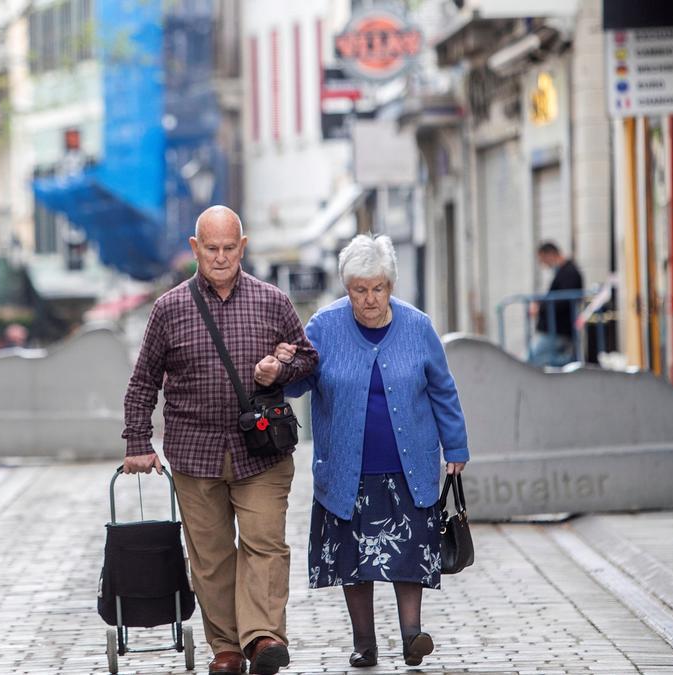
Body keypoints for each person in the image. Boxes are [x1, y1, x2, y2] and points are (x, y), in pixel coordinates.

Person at [122, 205, 318, 675]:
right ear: (195, 248)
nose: (221, 257)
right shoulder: (169, 308)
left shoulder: (272, 301)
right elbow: (143, 380)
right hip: (195, 452)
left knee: (264, 544)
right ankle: (226, 648)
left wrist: (281, 368)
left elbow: (309, 360)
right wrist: (136, 440)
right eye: (211, 248)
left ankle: (262, 637)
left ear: (243, 247)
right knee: (210, 557)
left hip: (263, 453)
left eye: (230, 247)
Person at [282, 234, 469, 669]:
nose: (369, 299)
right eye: (359, 290)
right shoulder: (324, 328)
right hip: (347, 469)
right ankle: (364, 642)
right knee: (353, 561)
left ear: (391, 286)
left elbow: (443, 389)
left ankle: (411, 635)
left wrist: (455, 445)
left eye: (378, 288)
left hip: (409, 466)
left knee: (408, 556)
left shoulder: (418, 326)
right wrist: (284, 365)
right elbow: (296, 386)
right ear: (347, 289)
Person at [528, 241, 583, 367]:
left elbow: (562, 302)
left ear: (550, 255)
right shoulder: (565, 272)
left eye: (543, 260)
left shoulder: (569, 273)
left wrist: (540, 307)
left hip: (557, 330)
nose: (544, 265)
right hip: (555, 330)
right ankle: (571, 361)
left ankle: (572, 361)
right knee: (543, 362)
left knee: (532, 361)